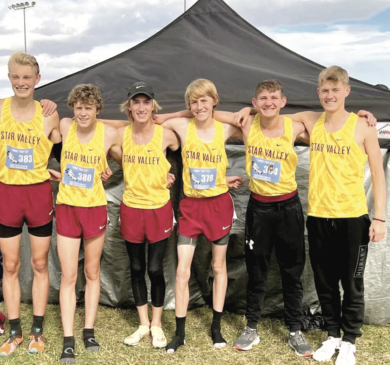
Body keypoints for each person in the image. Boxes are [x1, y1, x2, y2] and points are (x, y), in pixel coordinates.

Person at [275, 66, 386, 365]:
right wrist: (245, 111)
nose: (330, 95)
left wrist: (379, 218)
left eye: (336, 90)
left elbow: (378, 173)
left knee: (352, 283)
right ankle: (333, 335)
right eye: (325, 90)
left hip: (353, 218)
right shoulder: (312, 121)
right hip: (319, 217)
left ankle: (350, 341)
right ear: (318, 92)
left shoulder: (362, 126)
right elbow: (271, 115)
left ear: (347, 91)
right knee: (324, 283)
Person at [204, 80, 313, 357]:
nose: (268, 102)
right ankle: (251, 327)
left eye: (274, 97)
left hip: (288, 208)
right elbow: (207, 113)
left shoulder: (294, 126)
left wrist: (365, 117)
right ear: (255, 102)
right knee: (256, 271)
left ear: (283, 101)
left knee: (292, 272)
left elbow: (329, 120)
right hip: (259, 209)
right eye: (262, 98)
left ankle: (295, 330)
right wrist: (246, 111)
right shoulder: (247, 124)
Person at [152, 79, 245, 353]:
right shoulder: (182, 126)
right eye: (193, 102)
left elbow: (247, 120)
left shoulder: (225, 128)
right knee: (182, 270)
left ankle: (216, 328)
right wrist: (179, 113)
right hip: (191, 208)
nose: (199, 106)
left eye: (204, 100)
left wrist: (245, 110)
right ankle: (179, 333)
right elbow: (156, 122)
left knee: (218, 267)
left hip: (218, 207)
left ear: (214, 101)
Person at [0, 52, 61, 357]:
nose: (21, 82)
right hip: (7, 194)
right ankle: (15, 332)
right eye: (15, 76)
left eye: (27, 77)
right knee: (11, 265)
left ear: (37, 79)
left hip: (38, 194)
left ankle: (37, 331)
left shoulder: (49, 114)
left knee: (40, 264)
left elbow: (65, 142)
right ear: (9, 78)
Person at [46, 84, 122, 363]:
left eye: (88, 108)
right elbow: (42, 125)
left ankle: (88, 330)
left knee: (92, 271)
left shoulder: (109, 133)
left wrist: (109, 166)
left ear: (97, 109)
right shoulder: (66, 126)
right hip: (68, 207)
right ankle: (68, 338)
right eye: (79, 107)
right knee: (68, 275)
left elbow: (126, 159)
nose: (83, 113)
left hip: (94, 208)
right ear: (73, 108)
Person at [102, 82, 180, 349]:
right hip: (132, 208)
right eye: (136, 102)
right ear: (129, 107)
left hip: (158, 208)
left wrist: (171, 175)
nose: (141, 107)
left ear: (153, 106)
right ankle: (143, 324)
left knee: (155, 268)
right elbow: (93, 126)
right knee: (136, 267)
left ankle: (157, 324)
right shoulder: (120, 134)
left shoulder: (166, 135)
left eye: (146, 102)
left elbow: (184, 154)